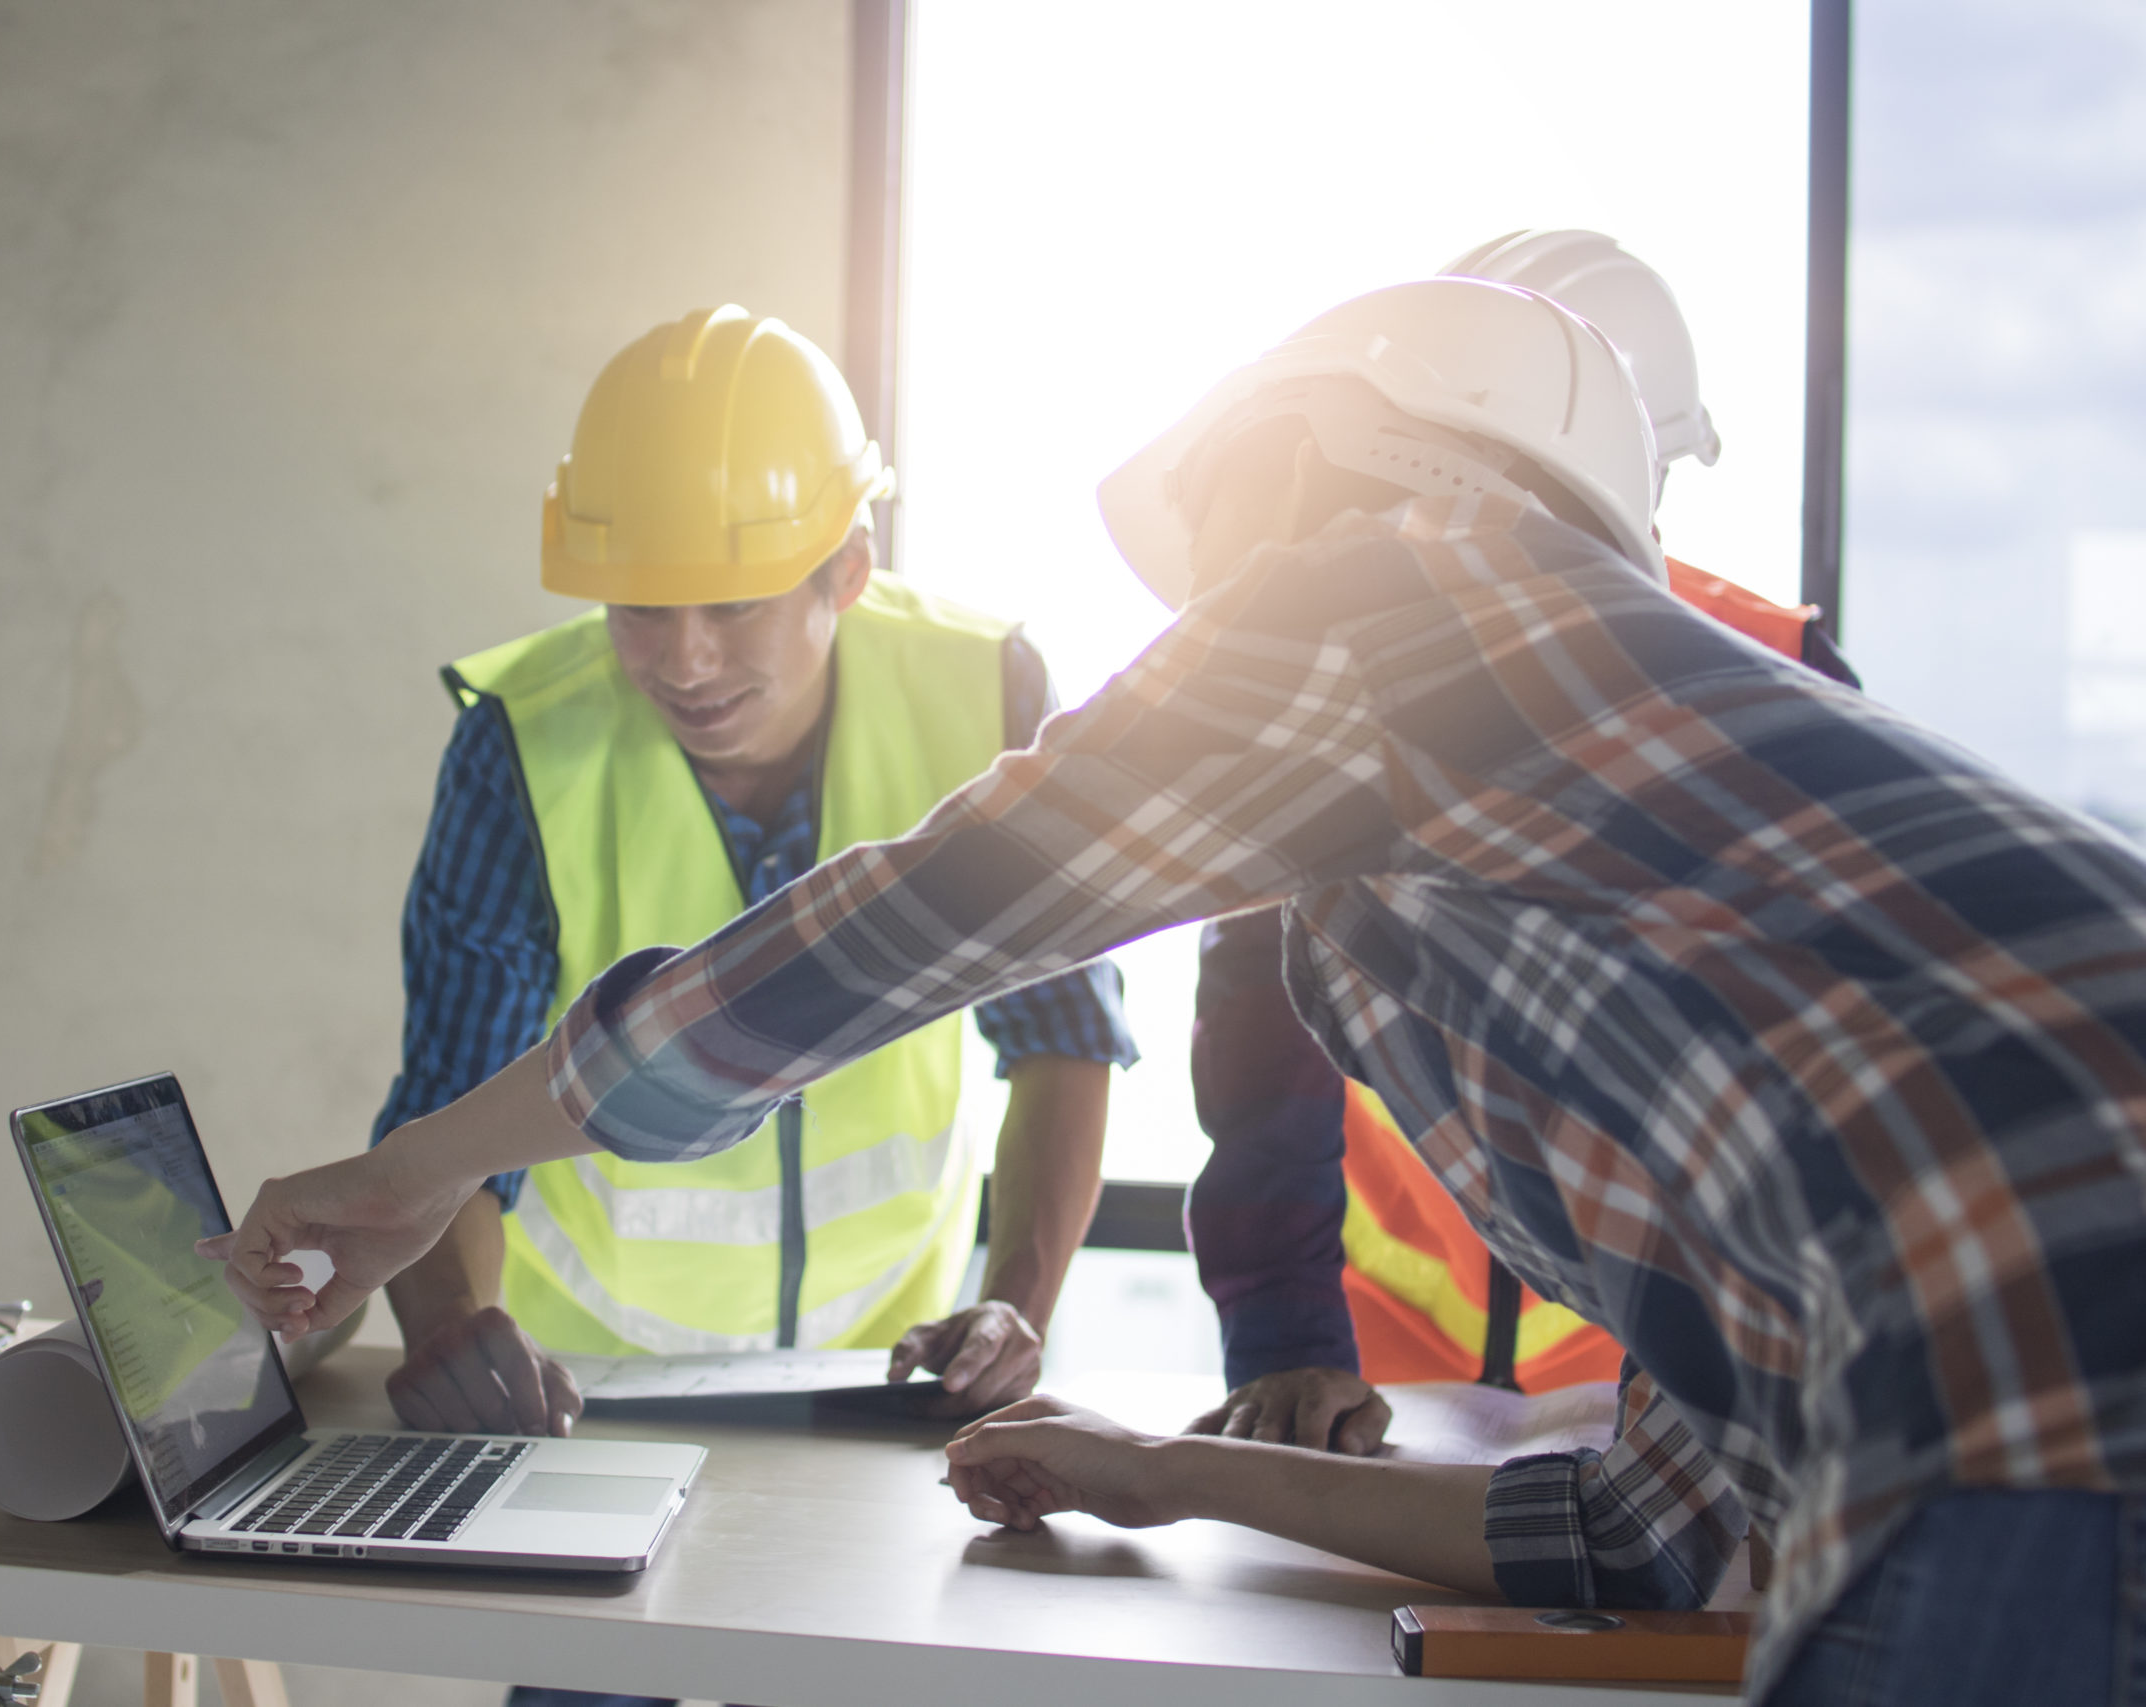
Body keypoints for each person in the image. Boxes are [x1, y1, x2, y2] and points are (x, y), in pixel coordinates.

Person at [208, 276, 2146, 1706]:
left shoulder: (1392, 587)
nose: (1191, 634)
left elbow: (900, 931)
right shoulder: (1579, 859)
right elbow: (1647, 1521)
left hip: (2038, 1360)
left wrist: (413, 1174)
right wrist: (1160, 1470)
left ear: (1302, 465)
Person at [367, 305, 1135, 1455]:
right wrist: (451, 1332)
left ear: (851, 571)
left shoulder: (986, 697)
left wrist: (1014, 1303)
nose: (683, 662)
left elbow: (1060, 1029)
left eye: (733, 605)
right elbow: (452, 1099)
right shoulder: (519, 745)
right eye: (639, 608)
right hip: (583, 1390)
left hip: (893, 1378)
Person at [1183, 233, 1859, 1459]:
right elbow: (1262, 1017)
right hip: (1381, 1382)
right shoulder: (1368, 657)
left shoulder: (1778, 677)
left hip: (1668, 1382)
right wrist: (1283, 1334)